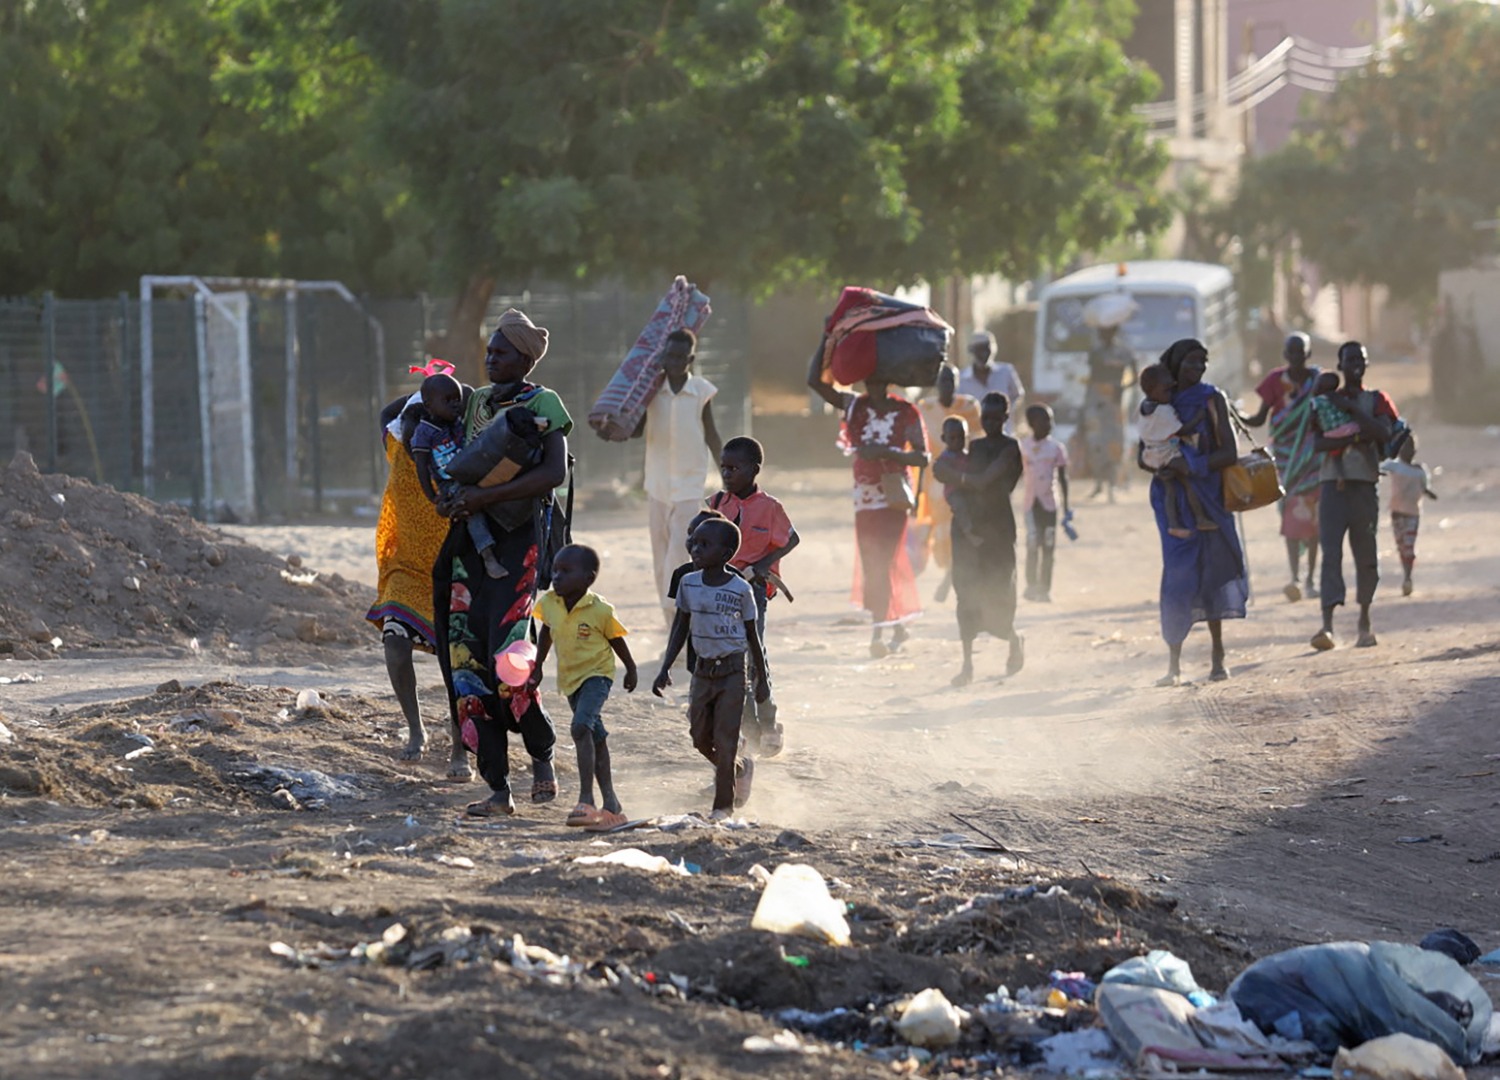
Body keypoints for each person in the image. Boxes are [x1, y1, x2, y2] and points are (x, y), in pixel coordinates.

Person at [433, 309, 570, 817]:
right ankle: (497, 788)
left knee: (510, 662)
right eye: (489, 352)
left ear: (526, 358)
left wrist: (483, 500)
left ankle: (542, 756)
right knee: (467, 665)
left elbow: (552, 473)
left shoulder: (544, 403)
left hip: (520, 545)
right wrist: (454, 499)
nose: (491, 359)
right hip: (471, 546)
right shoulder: (477, 404)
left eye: (502, 352)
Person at [367, 385, 470, 776]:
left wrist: (449, 390)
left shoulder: (453, 451)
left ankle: (460, 747)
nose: (417, 435)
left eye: (425, 425)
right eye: (413, 424)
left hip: (454, 568)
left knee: (455, 664)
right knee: (394, 642)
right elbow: (386, 413)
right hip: (405, 568)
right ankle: (416, 730)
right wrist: (426, 388)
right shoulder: (396, 445)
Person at [1139, 339, 1248, 686]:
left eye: (1203, 362)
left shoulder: (1212, 398)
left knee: (1213, 573)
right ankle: (1174, 664)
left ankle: (1218, 656)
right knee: (1178, 576)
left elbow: (1229, 452)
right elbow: (1141, 453)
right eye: (1190, 363)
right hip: (1174, 503)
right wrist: (1166, 468)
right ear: (1175, 365)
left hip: (1210, 495)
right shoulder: (1156, 404)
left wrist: (1193, 465)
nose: (1198, 368)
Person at [807, 362, 930, 658]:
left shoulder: (905, 412)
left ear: (888, 381)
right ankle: (897, 623)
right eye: (868, 381)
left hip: (893, 496)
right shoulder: (854, 406)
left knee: (882, 559)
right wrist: (828, 336)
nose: (872, 386)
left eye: (878, 380)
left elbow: (922, 457)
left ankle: (878, 630)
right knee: (872, 559)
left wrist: (887, 452)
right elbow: (816, 383)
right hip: (864, 496)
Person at [652, 518, 770, 821]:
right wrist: (665, 667)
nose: (695, 548)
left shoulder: (740, 589)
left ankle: (722, 807)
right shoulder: (688, 583)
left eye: (705, 544)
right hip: (702, 672)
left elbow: (752, 636)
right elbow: (681, 626)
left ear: (726, 553)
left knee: (726, 737)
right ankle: (737, 768)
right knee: (699, 735)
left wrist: (762, 680)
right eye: (694, 542)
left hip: (732, 671)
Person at [529, 544, 637, 832]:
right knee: (595, 737)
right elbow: (547, 632)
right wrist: (538, 666)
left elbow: (616, 639)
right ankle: (612, 803)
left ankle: (585, 799)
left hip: (597, 675)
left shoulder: (600, 609)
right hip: (571, 680)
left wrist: (631, 668)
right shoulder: (550, 603)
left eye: (566, 571)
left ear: (588, 578)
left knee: (580, 728)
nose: (556, 577)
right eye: (555, 570)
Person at [708, 436, 798, 756]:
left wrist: (761, 566)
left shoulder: (770, 508)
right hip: (719, 590)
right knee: (730, 659)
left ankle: (768, 721)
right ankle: (747, 727)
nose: (727, 474)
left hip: (753, 591)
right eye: (723, 468)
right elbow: (700, 541)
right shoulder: (716, 504)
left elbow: (791, 538)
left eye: (734, 468)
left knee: (753, 653)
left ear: (754, 469)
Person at [1311, 342, 1399, 651]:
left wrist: (1349, 412)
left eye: (1360, 359)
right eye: (1350, 360)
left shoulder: (1375, 399)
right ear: (1340, 364)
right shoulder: (1323, 401)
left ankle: (1364, 620)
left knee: (1366, 554)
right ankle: (1327, 625)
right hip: (1332, 484)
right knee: (1330, 554)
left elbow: (1385, 433)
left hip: (1363, 484)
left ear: (1367, 363)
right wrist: (1359, 434)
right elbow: (1317, 444)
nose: (1355, 365)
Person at [933, 392, 1025, 687]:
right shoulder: (975, 446)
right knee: (967, 594)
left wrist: (951, 476)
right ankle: (967, 664)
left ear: (1006, 418)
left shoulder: (1011, 447)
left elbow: (984, 480)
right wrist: (947, 473)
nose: (990, 422)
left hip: (998, 528)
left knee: (999, 592)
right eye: (986, 417)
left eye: (996, 418)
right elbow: (947, 471)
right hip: (969, 530)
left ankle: (1013, 639)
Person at [637, 329, 722, 623]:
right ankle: (668, 615)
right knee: (659, 550)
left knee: (679, 549)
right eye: (668, 355)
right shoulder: (651, 390)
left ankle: (679, 610)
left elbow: (711, 434)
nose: (672, 362)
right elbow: (636, 430)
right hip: (657, 483)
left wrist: (727, 472)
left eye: (679, 357)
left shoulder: (701, 391)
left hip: (689, 483)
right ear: (662, 357)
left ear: (690, 359)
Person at [1240, 332, 1323, 602]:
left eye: (1301, 353)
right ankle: (1295, 577)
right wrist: (1233, 413)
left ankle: (1311, 578)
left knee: (1315, 521)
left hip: (1314, 458)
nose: (1297, 358)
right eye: (1292, 353)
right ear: (1285, 356)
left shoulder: (1319, 380)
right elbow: (1259, 419)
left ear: (1308, 355)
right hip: (1286, 461)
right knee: (1292, 518)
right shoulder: (1275, 381)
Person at [409, 372, 508, 580]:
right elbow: (421, 467)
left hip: (472, 473)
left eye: (457, 400)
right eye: (448, 400)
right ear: (428, 405)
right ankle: (487, 554)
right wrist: (433, 496)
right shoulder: (424, 432)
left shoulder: (457, 423)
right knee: (470, 510)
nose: (455, 404)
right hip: (450, 483)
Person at [916, 363, 982, 601]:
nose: (947, 385)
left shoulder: (969, 407)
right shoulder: (925, 408)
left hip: (962, 477)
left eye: (951, 381)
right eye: (943, 381)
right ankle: (950, 575)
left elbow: (978, 443)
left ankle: (950, 580)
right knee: (941, 534)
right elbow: (918, 447)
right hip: (935, 480)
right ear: (936, 383)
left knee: (961, 528)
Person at [1138, 364, 1216, 539]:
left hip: (1150, 455)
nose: (1170, 394)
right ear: (1153, 390)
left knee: (1171, 490)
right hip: (1167, 454)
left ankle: (1173, 524)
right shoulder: (1164, 411)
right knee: (1190, 480)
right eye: (1166, 391)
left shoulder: (1144, 407)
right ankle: (1200, 517)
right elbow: (1182, 430)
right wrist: (1199, 417)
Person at [1080, 324, 1137, 501]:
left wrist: (1123, 387)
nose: (1103, 335)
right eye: (1101, 332)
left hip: (1115, 401)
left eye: (1106, 331)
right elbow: (1092, 377)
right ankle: (1098, 483)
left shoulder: (1124, 352)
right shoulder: (1095, 352)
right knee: (1096, 442)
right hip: (1096, 400)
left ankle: (1114, 484)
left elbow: (1134, 376)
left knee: (1116, 442)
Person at [1019, 404, 1070, 602]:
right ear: (1032, 424)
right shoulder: (1023, 447)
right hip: (1031, 505)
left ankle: (1044, 588)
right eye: (1045, 421)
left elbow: (1063, 478)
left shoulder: (1056, 448)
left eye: (1051, 420)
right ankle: (1031, 586)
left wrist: (1066, 507)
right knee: (1032, 544)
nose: (1050, 425)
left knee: (1048, 546)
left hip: (1049, 505)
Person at [1381, 430, 1436, 597]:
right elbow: (1378, 468)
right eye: (1405, 447)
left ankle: (1407, 577)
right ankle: (1407, 577)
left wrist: (1429, 493)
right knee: (1402, 546)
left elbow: (1424, 487)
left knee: (1408, 547)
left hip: (1412, 513)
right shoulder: (1394, 466)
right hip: (1397, 513)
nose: (1408, 451)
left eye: (1410, 448)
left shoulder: (1420, 470)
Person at [957, 330, 1023, 435]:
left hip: (1004, 434)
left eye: (986, 349)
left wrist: (1002, 414)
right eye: (979, 350)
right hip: (975, 436)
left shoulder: (1006, 372)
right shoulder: (961, 378)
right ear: (972, 351)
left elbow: (1017, 396)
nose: (984, 354)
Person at [934, 417, 982, 549]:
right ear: (944, 438)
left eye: (961, 438)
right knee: (960, 506)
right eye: (952, 438)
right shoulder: (945, 458)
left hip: (967, 490)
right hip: (953, 492)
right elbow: (939, 469)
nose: (957, 442)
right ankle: (969, 532)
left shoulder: (967, 455)